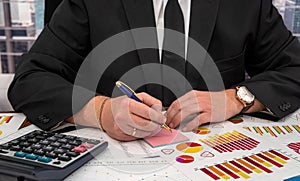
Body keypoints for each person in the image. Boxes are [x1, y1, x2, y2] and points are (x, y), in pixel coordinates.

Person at [8, 0, 300, 141]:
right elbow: (30, 79)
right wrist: (100, 111)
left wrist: (236, 98)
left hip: (212, 160)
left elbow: (294, 67)